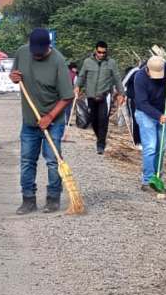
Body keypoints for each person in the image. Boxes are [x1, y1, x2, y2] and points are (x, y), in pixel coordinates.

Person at [9, 28, 74, 215]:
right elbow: (15, 76)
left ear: (48, 46)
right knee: (27, 160)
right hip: (29, 121)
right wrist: (13, 77)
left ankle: (53, 198)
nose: (35, 55)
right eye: (33, 51)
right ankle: (28, 199)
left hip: (53, 121)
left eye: (40, 52)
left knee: (53, 161)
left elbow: (67, 96)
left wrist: (49, 117)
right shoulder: (22, 52)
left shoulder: (58, 61)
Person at [134, 56, 166, 192]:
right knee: (150, 147)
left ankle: (157, 177)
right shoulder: (140, 78)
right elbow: (141, 103)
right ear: (147, 69)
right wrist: (158, 116)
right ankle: (147, 180)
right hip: (145, 113)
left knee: (161, 147)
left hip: (163, 110)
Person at [75, 41, 125, 154]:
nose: (101, 54)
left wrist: (121, 93)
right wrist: (77, 86)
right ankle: (100, 138)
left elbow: (117, 78)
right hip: (91, 96)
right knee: (93, 120)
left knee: (103, 120)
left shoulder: (111, 63)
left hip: (105, 96)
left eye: (104, 52)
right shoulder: (87, 62)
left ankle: (101, 144)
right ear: (95, 50)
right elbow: (81, 76)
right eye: (99, 52)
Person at [122, 60, 145, 150]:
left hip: (145, 101)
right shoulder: (134, 72)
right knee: (136, 120)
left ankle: (144, 141)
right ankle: (137, 142)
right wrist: (122, 95)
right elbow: (123, 83)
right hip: (133, 99)